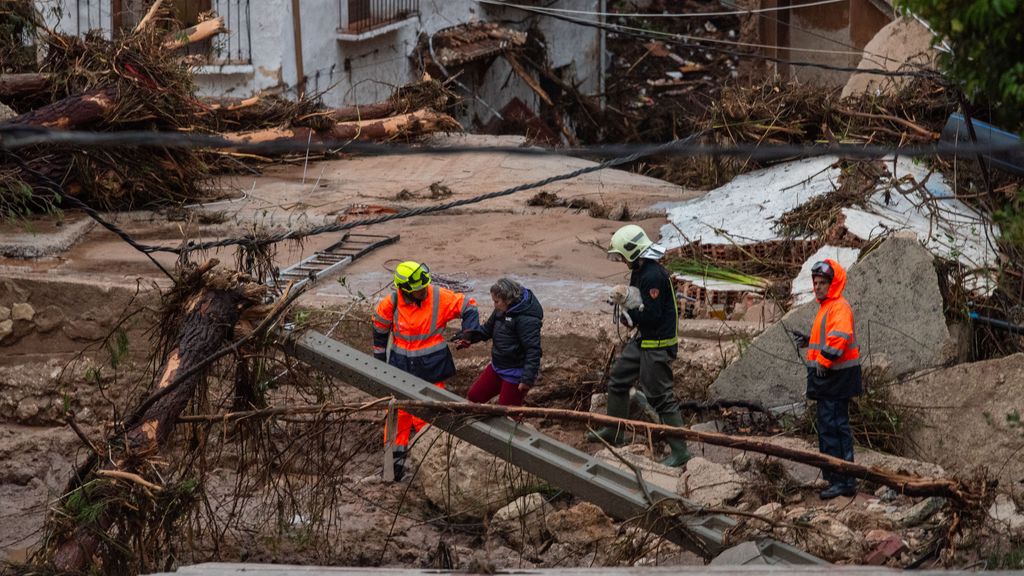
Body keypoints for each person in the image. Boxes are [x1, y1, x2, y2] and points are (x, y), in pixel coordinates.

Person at [586, 224, 691, 468]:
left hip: (657, 343)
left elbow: (651, 314)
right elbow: (638, 300)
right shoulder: (641, 271)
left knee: (661, 397)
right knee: (618, 378)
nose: (622, 260)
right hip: (645, 339)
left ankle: (680, 450)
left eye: (622, 255)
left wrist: (630, 315)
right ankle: (615, 431)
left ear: (632, 251)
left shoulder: (653, 275)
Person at [372, 260, 480, 481]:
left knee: (429, 421)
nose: (423, 292)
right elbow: (379, 332)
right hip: (401, 371)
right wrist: (379, 364)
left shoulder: (438, 296)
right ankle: (392, 471)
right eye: (418, 290)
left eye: (424, 287)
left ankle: (432, 472)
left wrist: (469, 331)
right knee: (396, 419)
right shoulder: (390, 304)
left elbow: (468, 305)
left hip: (431, 371)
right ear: (404, 290)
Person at [790, 259, 862, 499]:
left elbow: (839, 338)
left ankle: (844, 480)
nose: (817, 287)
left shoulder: (838, 307)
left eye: (822, 283)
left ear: (833, 284)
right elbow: (828, 337)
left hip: (835, 380)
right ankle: (836, 477)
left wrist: (823, 361)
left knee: (835, 429)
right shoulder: (828, 307)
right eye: (816, 282)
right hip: (830, 381)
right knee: (829, 428)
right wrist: (809, 341)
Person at [456, 278, 543, 407]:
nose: (494, 305)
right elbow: (486, 330)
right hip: (497, 366)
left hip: (515, 373)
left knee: (507, 413)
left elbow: (533, 350)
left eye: (496, 301)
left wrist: (527, 379)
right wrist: (469, 336)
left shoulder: (527, 320)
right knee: (474, 396)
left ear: (508, 300)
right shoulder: (501, 309)